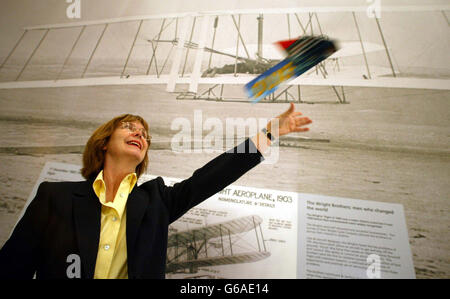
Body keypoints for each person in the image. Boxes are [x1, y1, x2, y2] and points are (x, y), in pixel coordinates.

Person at [0, 103, 312, 279]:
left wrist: (269, 132)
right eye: (129, 128)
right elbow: (12, 268)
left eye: (145, 134)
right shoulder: (54, 197)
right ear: (104, 141)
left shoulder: (157, 200)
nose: (140, 133)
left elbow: (211, 177)